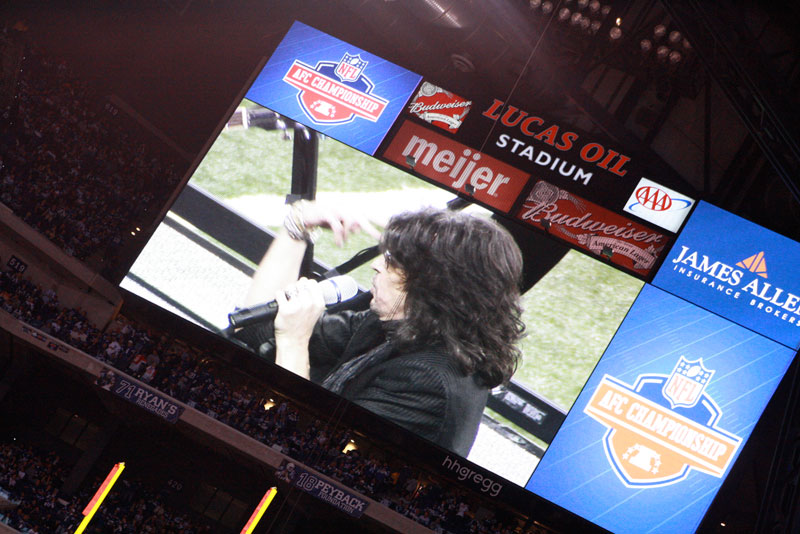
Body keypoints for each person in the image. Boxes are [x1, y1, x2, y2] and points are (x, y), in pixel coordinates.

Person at [239, 201, 525, 456]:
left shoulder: (428, 382)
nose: (376, 265)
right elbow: (255, 326)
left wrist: (294, 341)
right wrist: (297, 226)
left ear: (435, 286)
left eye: (392, 262)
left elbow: (307, 452)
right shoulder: (396, 325)